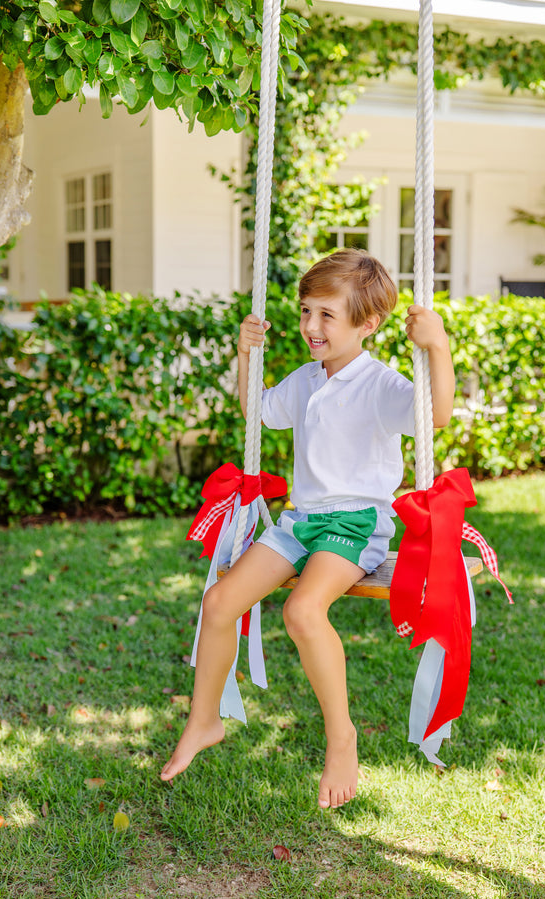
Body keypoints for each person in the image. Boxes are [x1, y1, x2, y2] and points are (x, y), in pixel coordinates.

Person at [161, 249, 455, 809]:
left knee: (302, 611)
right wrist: (246, 355)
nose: (310, 327)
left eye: (327, 315)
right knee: (221, 601)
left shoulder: (381, 384)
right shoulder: (305, 378)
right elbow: (259, 412)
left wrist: (436, 344)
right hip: (302, 521)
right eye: (305, 312)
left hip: (355, 524)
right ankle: (204, 721)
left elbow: (434, 414)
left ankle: (341, 738)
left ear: (367, 324)